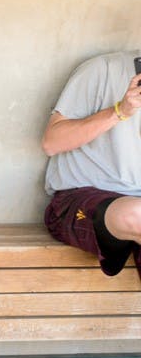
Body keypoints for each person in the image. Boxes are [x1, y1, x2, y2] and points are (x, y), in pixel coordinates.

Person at [42, 51, 141, 278]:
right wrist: (120, 111)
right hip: (84, 198)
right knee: (136, 214)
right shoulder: (102, 69)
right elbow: (52, 142)